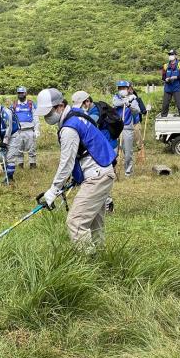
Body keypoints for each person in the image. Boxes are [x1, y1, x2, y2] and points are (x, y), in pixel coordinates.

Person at [35, 88, 117, 250]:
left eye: (48, 112)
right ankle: (101, 257)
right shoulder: (77, 115)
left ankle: (88, 260)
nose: (46, 117)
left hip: (97, 177)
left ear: (59, 106)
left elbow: (67, 163)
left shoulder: (69, 129)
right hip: (104, 172)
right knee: (95, 223)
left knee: (76, 222)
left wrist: (53, 190)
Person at [81, 94, 118, 212]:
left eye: (82, 104)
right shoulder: (94, 108)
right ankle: (104, 203)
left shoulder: (96, 111)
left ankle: (108, 203)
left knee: (102, 177)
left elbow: (90, 123)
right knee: (101, 177)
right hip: (105, 147)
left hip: (108, 148)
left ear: (87, 101)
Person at [112, 80, 140, 177]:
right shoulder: (116, 97)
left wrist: (129, 104)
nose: (121, 90)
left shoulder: (133, 100)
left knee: (128, 152)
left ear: (128, 89)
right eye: (120, 88)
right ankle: (113, 170)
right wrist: (124, 101)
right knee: (114, 151)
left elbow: (137, 111)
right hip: (116, 128)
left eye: (123, 88)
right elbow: (115, 103)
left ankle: (128, 172)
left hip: (127, 127)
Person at [10, 86, 40, 169]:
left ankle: (33, 166)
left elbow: (36, 117)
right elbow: (10, 118)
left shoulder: (31, 104)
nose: (20, 94)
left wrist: (37, 130)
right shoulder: (14, 104)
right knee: (18, 150)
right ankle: (20, 167)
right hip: (18, 131)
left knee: (32, 149)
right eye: (19, 93)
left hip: (29, 130)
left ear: (26, 93)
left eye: (22, 93)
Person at [160, 49, 180, 117]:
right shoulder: (165, 65)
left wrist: (176, 77)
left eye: (172, 54)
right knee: (165, 104)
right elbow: (163, 77)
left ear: (175, 55)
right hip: (168, 88)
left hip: (177, 88)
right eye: (169, 54)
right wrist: (165, 79)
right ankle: (163, 118)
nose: (170, 56)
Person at [128, 83, 147, 150]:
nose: (129, 91)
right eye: (128, 89)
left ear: (132, 90)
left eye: (131, 89)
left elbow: (143, 109)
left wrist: (144, 110)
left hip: (135, 119)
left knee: (137, 132)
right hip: (126, 120)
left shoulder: (137, 99)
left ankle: (140, 146)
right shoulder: (122, 99)